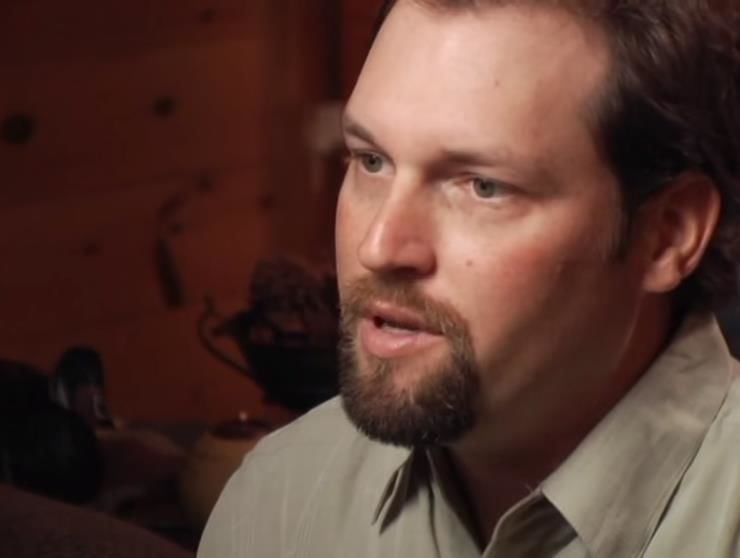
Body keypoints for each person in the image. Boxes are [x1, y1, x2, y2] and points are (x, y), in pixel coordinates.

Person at [198, 0, 740, 556]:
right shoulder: (278, 503)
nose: (378, 248)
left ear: (668, 234)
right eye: (371, 160)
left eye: (483, 187)